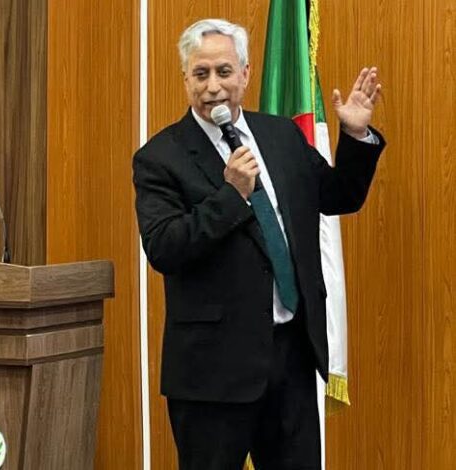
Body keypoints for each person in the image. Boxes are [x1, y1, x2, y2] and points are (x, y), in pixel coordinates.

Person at [133, 18, 385, 469]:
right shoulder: (160, 157)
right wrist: (231, 195)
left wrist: (354, 136)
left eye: (224, 72)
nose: (213, 86)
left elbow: (338, 196)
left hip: (290, 357)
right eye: (201, 73)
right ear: (186, 78)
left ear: (246, 74)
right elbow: (165, 247)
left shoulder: (281, 135)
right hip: (212, 375)